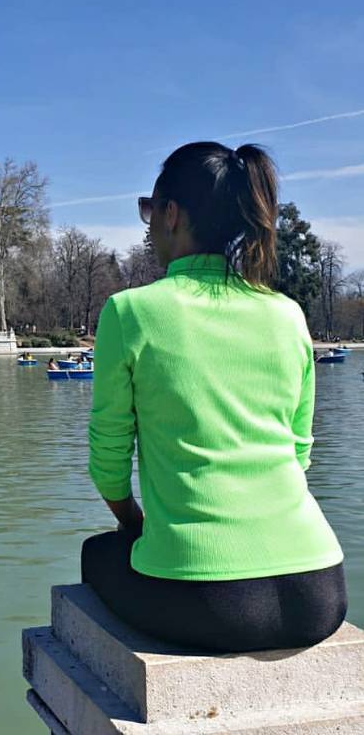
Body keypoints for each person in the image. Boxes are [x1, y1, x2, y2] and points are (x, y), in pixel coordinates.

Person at [82, 142, 346, 653]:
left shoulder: (129, 312)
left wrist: (138, 526)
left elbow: (108, 465)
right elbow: (298, 454)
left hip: (204, 600)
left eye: (148, 211)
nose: (148, 226)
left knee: (99, 555)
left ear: (172, 215)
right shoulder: (288, 314)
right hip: (321, 591)